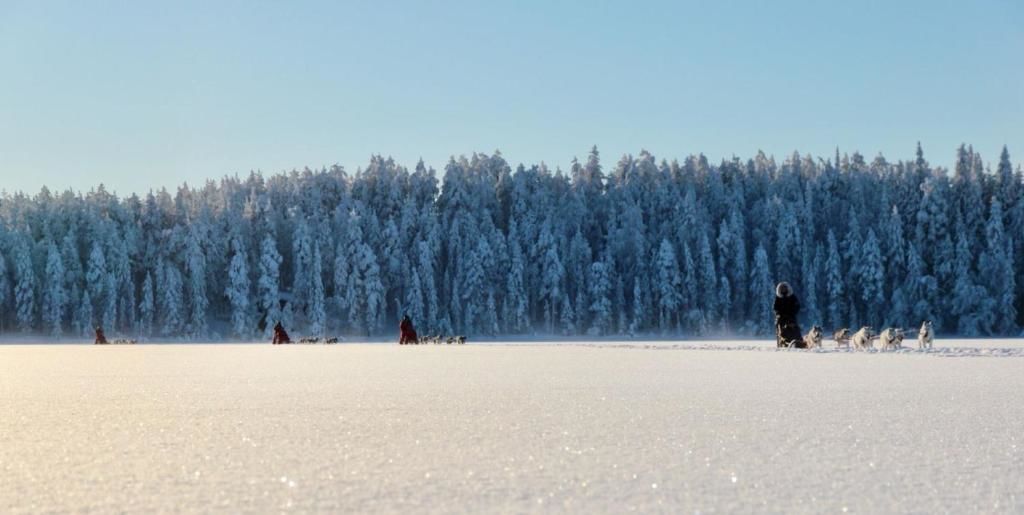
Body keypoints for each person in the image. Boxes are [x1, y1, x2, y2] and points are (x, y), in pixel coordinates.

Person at [773, 282, 804, 348]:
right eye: (782, 288)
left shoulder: (792, 297)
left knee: (795, 329)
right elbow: (775, 308)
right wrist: (779, 314)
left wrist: (793, 312)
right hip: (781, 318)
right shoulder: (778, 298)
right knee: (782, 331)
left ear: (787, 288)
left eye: (784, 288)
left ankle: (799, 342)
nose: (783, 289)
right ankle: (784, 342)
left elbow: (797, 306)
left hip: (791, 316)